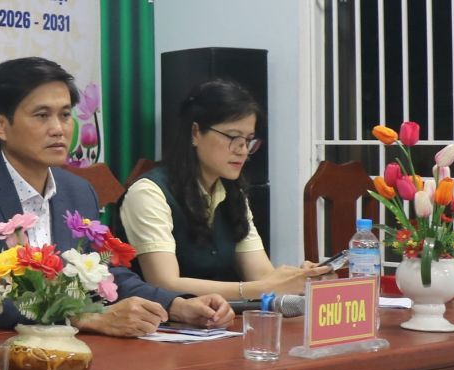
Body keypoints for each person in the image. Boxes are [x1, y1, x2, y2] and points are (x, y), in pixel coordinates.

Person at [0, 57, 233, 337]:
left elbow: (106, 273)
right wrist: (87, 317)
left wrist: (176, 305)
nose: (59, 129)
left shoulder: (77, 190)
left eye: (65, 115)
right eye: (42, 115)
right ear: (0, 125)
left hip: (70, 351)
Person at [120, 78, 327, 298]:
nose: (242, 150)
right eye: (233, 137)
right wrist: (263, 288)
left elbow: (260, 275)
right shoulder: (149, 193)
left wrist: (300, 278)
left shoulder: (232, 192)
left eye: (248, 140)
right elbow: (164, 283)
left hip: (215, 316)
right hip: (158, 317)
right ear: (195, 133)